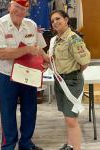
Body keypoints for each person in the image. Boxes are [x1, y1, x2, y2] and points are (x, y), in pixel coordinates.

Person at [0, 0, 48, 150]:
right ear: (9, 7)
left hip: (29, 75)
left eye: (24, 8)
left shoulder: (31, 24)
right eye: (17, 7)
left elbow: (39, 48)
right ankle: (8, 146)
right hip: (6, 76)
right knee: (8, 113)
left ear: (27, 10)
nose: (20, 11)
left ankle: (26, 143)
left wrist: (46, 60)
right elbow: (2, 54)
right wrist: (27, 49)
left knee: (30, 110)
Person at [49, 10, 91, 150]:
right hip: (60, 80)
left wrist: (73, 74)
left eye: (58, 19)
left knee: (71, 119)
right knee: (68, 117)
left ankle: (76, 147)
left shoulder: (73, 39)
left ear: (66, 20)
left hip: (71, 82)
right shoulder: (56, 40)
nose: (55, 22)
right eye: (53, 20)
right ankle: (70, 145)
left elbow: (84, 62)